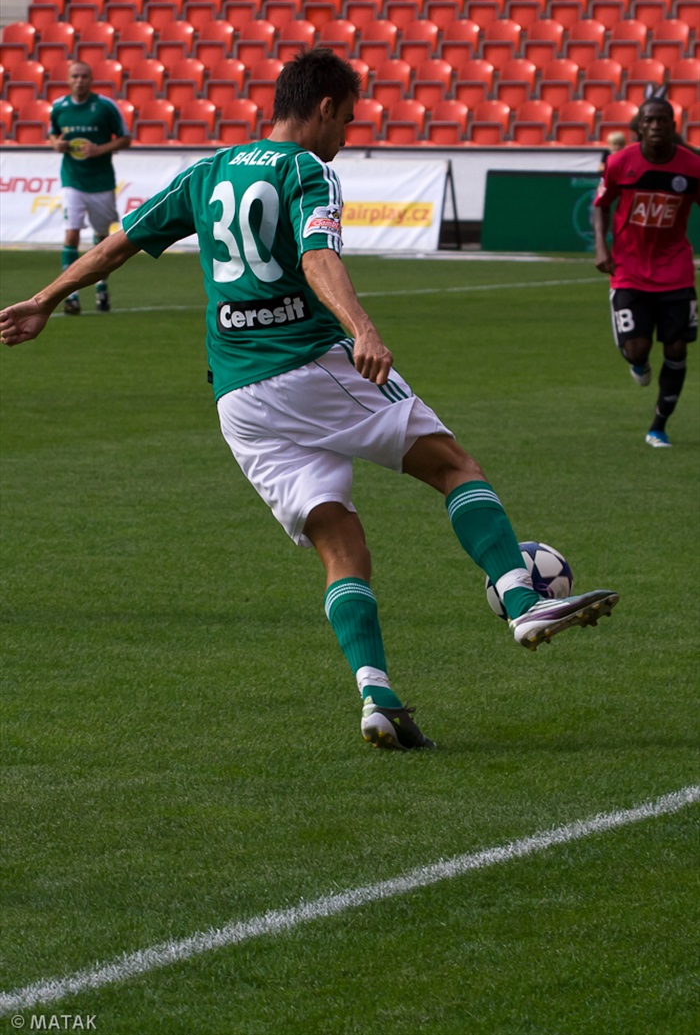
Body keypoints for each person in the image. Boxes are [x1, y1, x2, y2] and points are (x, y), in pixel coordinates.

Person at [1, 49, 619, 751]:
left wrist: (45, 299)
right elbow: (319, 256)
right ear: (324, 106)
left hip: (237, 399)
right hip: (307, 364)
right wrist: (363, 326)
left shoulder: (209, 172)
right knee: (453, 465)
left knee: (341, 544)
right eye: (348, 121)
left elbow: (119, 245)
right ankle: (520, 598)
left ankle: (377, 696)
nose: (347, 138)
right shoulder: (305, 171)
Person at [593, 97, 700, 449]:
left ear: (673, 126)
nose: (656, 126)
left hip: (676, 271)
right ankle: (637, 363)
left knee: (677, 346)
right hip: (630, 271)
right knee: (637, 350)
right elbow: (601, 206)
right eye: (650, 120)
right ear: (640, 126)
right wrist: (601, 248)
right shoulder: (620, 163)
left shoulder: (691, 167)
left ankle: (659, 425)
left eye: (663, 120)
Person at [49, 60, 131, 315]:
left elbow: (126, 139)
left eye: (84, 76)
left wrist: (99, 149)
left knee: (102, 239)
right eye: (75, 76)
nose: (79, 81)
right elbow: (53, 133)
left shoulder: (105, 107)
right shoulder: (59, 107)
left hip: (102, 183)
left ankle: (101, 287)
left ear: (91, 79)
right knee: (71, 233)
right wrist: (56, 144)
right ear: (68, 79)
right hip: (73, 180)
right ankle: (70, 295)